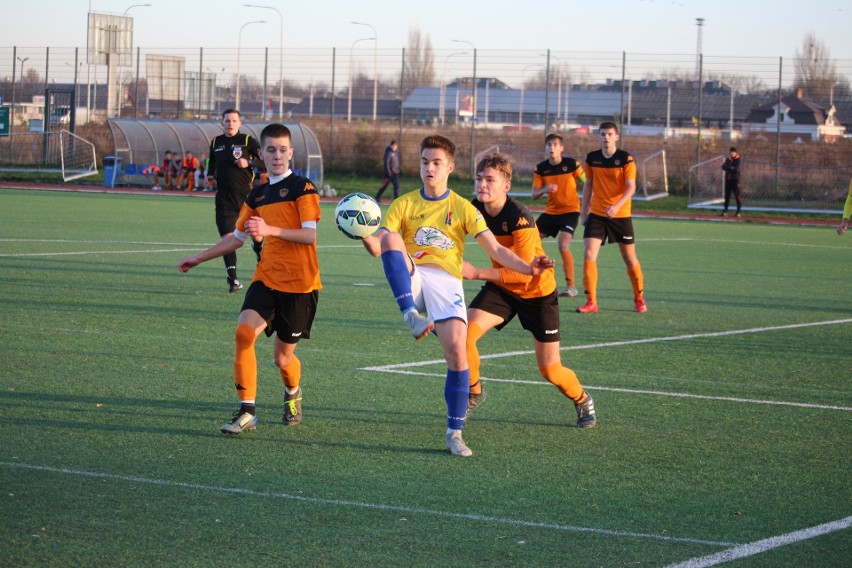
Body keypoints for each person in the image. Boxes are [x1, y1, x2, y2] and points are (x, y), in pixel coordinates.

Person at [360, 135, 554, 457]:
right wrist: (362, 232)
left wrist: (528, 266)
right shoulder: (403, 204)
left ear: (450, 167)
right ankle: (411, 315)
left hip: (447, 282)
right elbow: (380, 248)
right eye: (424, 162)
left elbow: (494, 249)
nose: (429, 169)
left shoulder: (463, 208)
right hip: (414, 276)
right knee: (392, 239)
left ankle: (454, 433)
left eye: (436, 163)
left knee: (457, 353)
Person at [178, 123, 322, 435]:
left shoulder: (303, 188)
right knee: (244, 332)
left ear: (291, 153)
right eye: (271, 150)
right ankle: (247, 411)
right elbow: (236, 238)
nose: (277, 155)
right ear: (262, 154)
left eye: (283, 150)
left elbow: (309, 236)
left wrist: (270, 231)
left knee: (283, 359)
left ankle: (292, 393)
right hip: (266, 278)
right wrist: (199, 259)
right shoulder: (257, 195)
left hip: (300, 285)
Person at [463, 154, 597, 428]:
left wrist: (475, 273)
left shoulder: (520, 217)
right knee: (463, 335)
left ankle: (582, 399)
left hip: (537, 293)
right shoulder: (473, 209)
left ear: (506, 186)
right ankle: (474, 391)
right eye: (479, 179)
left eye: (490, 180)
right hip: (502, 288)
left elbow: (523, 276)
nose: (483, 185)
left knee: (550, 369)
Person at [577, 122, 647, 314]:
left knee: (629, 258)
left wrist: (616, 206)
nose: (606, 137)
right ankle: (591, 302)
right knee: (589, 253)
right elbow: (588, 185)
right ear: (598, 137)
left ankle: (638, 297)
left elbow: (631, 187)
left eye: (609, 134)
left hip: (621, 214)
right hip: (597, 214)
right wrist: (584, 212)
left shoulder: (626, 159)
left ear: (616, 137)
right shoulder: (592, 158)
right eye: (602, 134)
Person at [206, 109, 264, 292]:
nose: (230, 123)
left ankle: (261, 256)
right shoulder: (216, 142)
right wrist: (209, 175)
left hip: (247, 198)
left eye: (233, 120)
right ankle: (233, 280)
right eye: (227, 120)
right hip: (224, 200)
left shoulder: (247, 141)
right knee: (228, 239)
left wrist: (250, 163)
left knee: (257, 235)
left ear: (240, 123)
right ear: (222, 123)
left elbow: (266, 161)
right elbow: (212, 162)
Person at [531, 133, 586, 298]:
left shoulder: (571, 164)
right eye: (549, 144)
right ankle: (533, 277)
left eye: (555, 144)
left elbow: (588, 182)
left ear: (561, 148)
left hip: (570, 212)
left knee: (563, 245)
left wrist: (591, 203)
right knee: (530, 238)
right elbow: (534, 194)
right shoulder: (541, 168)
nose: (552, 147)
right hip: (550, 213)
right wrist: (544, 190)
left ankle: (571, 287)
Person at [721, 147, 742, 217]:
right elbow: (723, 167)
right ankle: (725, 211)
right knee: (727, 196)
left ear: (736, 153)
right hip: (728, 180)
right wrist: (730, 168)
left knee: (737, 196)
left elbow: (736, 169)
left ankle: (738, 211)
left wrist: (729, 168)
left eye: (733, 152)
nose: (732, 153)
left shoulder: (738, 160)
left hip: (735, 180)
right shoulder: (728, 159)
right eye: (731, 152)